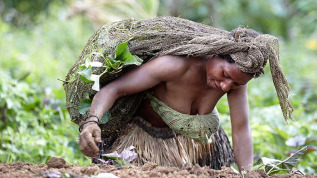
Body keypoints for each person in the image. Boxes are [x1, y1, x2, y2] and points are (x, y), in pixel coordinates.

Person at [71, 17, 293, 172]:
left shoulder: (236, 80)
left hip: (199, 151)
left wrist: (247, 173)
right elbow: (114, 89)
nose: (226, 87)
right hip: (144, 147)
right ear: (216, 53)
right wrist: (92, 121)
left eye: (235, 83)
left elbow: (241, 129)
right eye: (224, 74)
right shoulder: (174, 65)